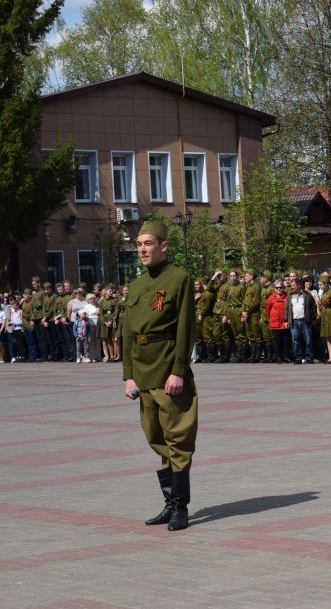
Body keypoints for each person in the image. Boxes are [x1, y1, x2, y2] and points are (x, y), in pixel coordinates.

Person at [122, 220, 198, 532]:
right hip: (142, 372)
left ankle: (180, 506)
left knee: (178, 438)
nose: (142, 249)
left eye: (148, 243)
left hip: (168, 369)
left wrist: (178, 371)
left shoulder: (179, 278)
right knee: (155, 436)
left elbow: (184, 328)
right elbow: (127, 331)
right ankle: (169, 502)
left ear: (163, 246)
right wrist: (128, 375)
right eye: (138, 244)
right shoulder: (138, 284)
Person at [286, 277, 317, 364]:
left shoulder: (307, 294)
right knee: (295, 341)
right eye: (291, 286)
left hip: (305, 321)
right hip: (294, 321)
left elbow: (313, 306)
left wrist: (314, 318)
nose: (292, 287)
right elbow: (287, 308)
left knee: (308, 340)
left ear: (299, 285)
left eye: (293, 285)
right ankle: (298, 358)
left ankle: (309, 357)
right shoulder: (290, 295)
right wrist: (286, 320)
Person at [266, 279, 290, 362]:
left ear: (283, 288)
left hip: (284, 322)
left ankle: (286, 357)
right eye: (277, 288)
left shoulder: (287, 296)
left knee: (286, 340)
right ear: (274, 289)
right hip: (275, 322)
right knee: (277, 340)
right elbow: (268, 309)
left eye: (280, 287)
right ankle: (278, 357)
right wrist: (273, 317)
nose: (278, 289)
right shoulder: (271, 297)